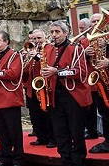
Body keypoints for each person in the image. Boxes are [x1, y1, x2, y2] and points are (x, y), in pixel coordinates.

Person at [42, 20, 92, 166]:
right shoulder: (48, 49)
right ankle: (65, 160)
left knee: (76, 131)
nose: (54, 35)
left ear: (65, 33)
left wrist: (56, 72)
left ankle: (78, 161)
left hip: (72, 96)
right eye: (52, 32)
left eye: (57, 32)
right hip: (55, 96)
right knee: (60, 132)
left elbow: (80, 72)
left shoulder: (75, 48)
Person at [0, 31, 24, 166]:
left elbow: (13, 74)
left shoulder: (14, 55)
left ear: (6, 42)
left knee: (14, 132)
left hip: (9, 99)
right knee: (1, 132)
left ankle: (18, 159)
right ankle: (5, 158)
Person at [22, 29, 55, 148]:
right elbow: (26, 69)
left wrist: (36, 56)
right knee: (36, 114)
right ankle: (41, 137)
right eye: (34, 39)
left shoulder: (49, 48)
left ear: (45, 37)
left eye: (39, 38)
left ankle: (52, 138)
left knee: (47, 114)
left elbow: (49, 62)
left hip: (45, 86)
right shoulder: (32, 49)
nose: (37, 41)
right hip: (32, 86)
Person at [87, 12, 109, 154]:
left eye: (99, 21)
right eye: (94, 23)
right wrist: (86, 53)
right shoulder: (91, 42)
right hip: (101, 82)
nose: (96, 25)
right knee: (105, 113)